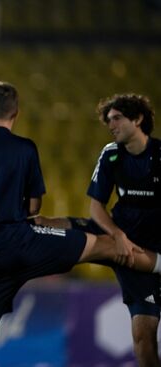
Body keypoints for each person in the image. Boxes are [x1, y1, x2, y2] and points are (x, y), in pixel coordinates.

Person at [0, 81, 161, 367]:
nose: (111, 125)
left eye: (117, 119)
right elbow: (35, 207)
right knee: (110, 247)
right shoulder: (27, 148)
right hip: (25, 245)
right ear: (15, 114)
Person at [87, 93, 161, 367]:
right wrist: (118, 235)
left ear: (138, 118)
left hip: (157, 245)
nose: (111, 124)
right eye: (108, 120)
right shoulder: (111, 154)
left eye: (117, 118)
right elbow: (96, 208)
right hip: (132, 251)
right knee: (143, 338)